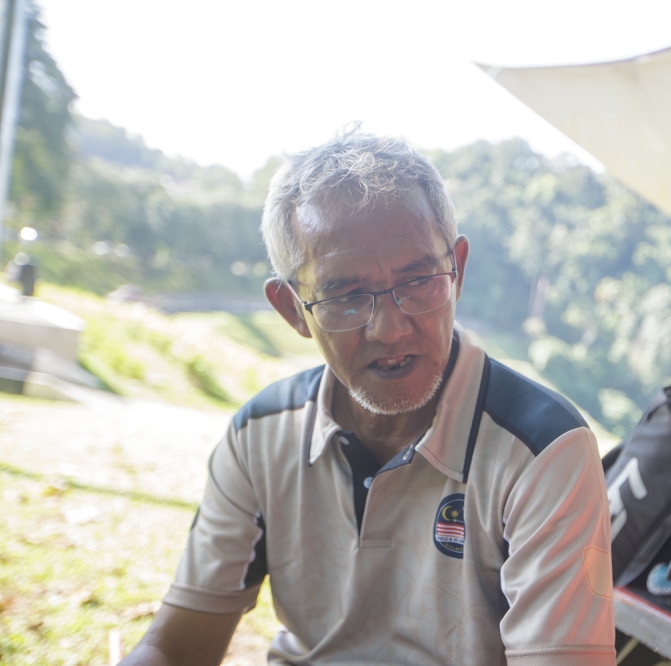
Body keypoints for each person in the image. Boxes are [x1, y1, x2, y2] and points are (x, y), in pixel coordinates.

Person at [121, 128, 616, 666]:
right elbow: (177, 645)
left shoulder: (543, 452)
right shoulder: (260, 435)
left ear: (458, 270)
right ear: (292, 310)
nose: (391, 328)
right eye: (346, 295)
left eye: (420, 279)